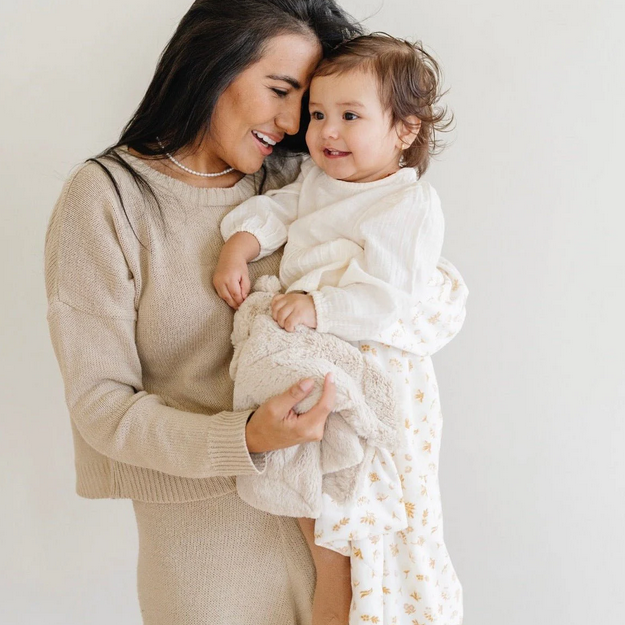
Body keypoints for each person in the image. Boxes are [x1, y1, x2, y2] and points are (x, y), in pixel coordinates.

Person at [43, 0, 464, 622]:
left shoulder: (306, 175)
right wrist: (247, 438)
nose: (296, 122)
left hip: (352, 549)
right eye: (283, 91)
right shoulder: (109, 199)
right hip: (209, 560)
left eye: (308, 102)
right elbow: (101, 409)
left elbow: (426, 294)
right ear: (213, 64)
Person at [215, 34, 465, 625]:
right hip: (318, 351)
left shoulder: (407, 203)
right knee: (323, 519)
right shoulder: (315, 181)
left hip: (379, 363)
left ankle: (392, 603)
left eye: (350, 116)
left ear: (404, 130)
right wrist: (238, 247)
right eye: (318, 115)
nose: (327, 131)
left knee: (372, 518)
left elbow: (392, 299)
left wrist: (319, 307)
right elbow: (275, 213)